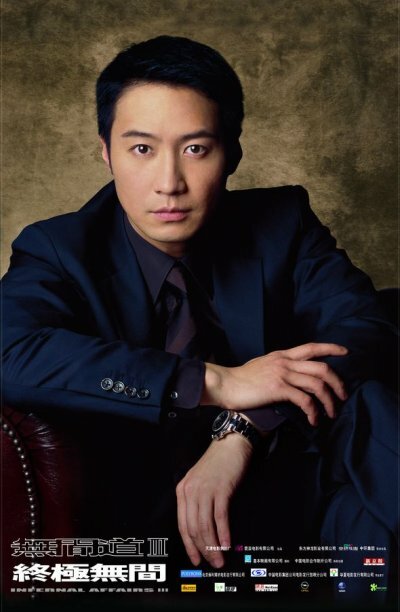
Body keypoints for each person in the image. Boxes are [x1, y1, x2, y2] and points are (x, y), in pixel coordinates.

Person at [2, 36, 397, 600]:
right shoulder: (60, 251)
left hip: (302, 506)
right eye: (142, 149)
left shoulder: (282, 223)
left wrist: (244, 428)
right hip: (158, 544)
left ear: (231, 153)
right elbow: (9, 352)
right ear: (106, 152)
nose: (169, 183)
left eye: (195, 149)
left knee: (369, 413)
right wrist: (216, 383)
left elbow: (366, 329)